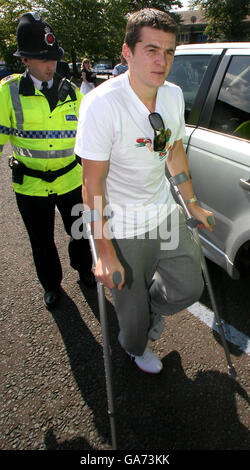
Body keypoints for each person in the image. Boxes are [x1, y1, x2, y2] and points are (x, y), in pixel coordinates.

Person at [75, 8, 215, 374]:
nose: (162, 60)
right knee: (132, 317)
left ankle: (148, 308)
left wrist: (192, 203)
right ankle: (133, 346)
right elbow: (92, 183)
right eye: (151, 50)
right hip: (122, 225)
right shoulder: (102, 105)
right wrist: (103, 251)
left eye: (169, 51)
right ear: (127, 52)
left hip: (164, 212)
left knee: (189, 285)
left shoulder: (171, 94)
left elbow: (174, 149)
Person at [0, 11, 96, 309]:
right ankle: (52, 285)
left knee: (80, 233)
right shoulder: (8, 93)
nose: (50, 65)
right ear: (25, 60)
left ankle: (84, 271)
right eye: (43, 59)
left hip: (71, 180)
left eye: (53, 58)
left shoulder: (72, 93)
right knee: (42, 243)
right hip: (30, 186)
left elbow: (92, 137)